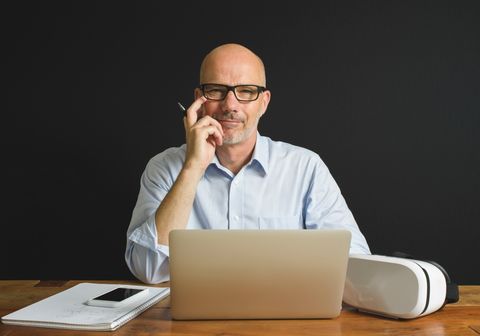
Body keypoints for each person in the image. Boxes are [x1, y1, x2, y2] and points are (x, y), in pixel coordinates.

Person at [125, 43, 370, 284]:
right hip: (191, 322)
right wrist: (193, 167)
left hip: (285, 319)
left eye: (246, 91)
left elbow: (356, 263)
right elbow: (147, 269)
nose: (230, 105)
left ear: (263, 102)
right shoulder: (163, 168)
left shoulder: (305, 168)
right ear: (199, 100)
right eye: (217, 90)